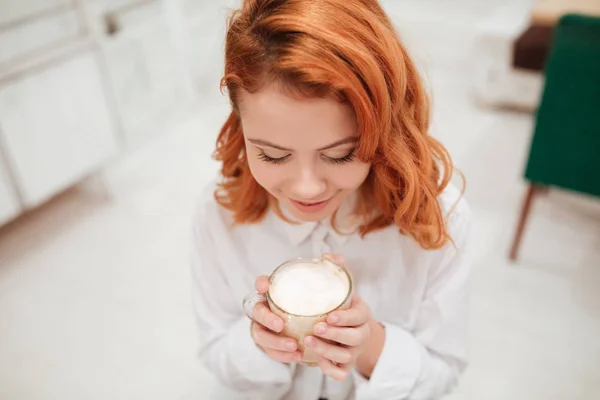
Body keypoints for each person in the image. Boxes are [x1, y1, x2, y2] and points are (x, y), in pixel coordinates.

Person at [190, 0, 472, 399]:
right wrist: (262, 344)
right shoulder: (219, 214)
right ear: (240, 124)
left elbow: (444, 373)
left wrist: (370, 345)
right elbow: (217, 354)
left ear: (384, 128)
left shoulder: (440, 220)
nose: (307, 188)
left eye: (340, 154)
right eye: (272, 154)